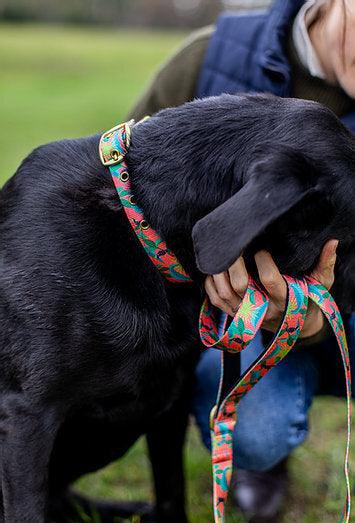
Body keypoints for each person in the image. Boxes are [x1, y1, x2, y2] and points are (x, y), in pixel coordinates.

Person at [128, 1, 355, 521]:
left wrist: (314, 320)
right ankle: (260, 455)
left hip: (342, 316)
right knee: (257, 429)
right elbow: (124, 198)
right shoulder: (210, 59)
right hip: (231, 320)